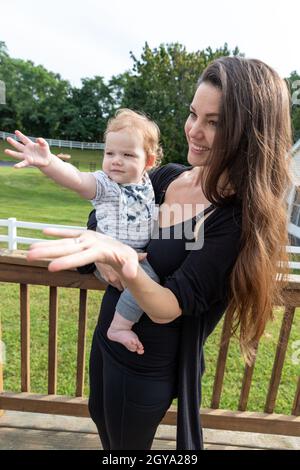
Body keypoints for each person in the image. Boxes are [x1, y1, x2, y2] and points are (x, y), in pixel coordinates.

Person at [26, 57, 292, 450]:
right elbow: (108, 209)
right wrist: (102, 249)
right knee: (103, 423)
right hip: (108, 337)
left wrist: (125, 262)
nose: (194, 131)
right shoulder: (166, 177)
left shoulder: (232, 220)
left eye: (214, 122)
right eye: (193, 114)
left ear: (247, 133)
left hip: (143, 362)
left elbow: (168, 306)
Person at [5, 109, 163, 355]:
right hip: (111, 260)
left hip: (134, 256)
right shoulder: (105, 184)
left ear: (148, 162)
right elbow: (77, 179)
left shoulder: (146, 185)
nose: (116, 160)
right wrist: (49, 163)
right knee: (149, 280)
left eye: (127, 154)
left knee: (147, 281)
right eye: (110, 153)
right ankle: (119, 327)